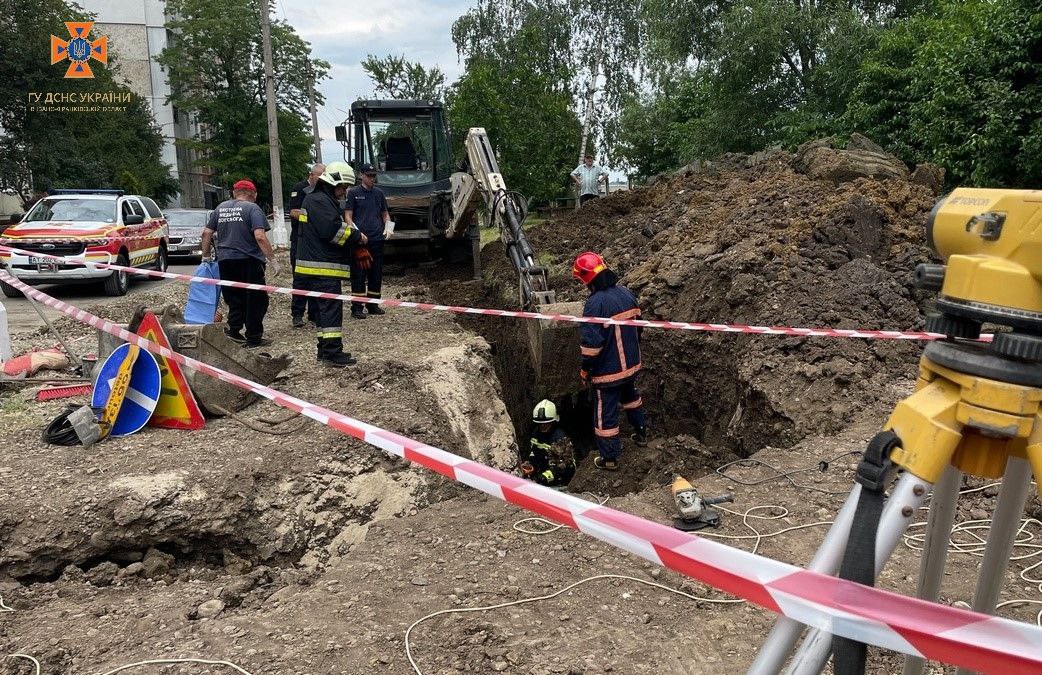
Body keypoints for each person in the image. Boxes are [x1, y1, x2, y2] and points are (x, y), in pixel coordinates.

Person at [573, 251, 648, 470]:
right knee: (631, 397)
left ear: (586, 278)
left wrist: (585, 370)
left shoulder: (595, 304)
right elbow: (639, 327)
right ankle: (641, 433)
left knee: (604, 414)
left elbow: (591, 346)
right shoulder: (626, 293)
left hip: (608, 371)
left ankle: (610, 458)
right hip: (630, 365)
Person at [296, 161, 366, 367]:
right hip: (322, 268)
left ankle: (325, 350)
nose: (344, 191)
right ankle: (332, 353)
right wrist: (357, 237)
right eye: (343, 186)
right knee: (330, 311)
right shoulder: (319, 201)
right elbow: (332, 231)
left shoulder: (318, 199)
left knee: (322, 312)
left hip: (316, 267)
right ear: (333, 181)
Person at [201, 179, 277, 348]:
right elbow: (260, 236)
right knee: (256, 300)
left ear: (235, 193)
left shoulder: (220, 208)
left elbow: (206, 233)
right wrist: (273, 260)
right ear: (253, 194)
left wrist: (206, 257)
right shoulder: (253, 209)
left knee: (234, 299)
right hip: (248, 261)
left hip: (225, 261)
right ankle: (253, 338)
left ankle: (234, 331)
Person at [344, 163, 391, 320]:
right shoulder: (353, 193)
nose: (372, 178)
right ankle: (357, 307)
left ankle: (373, 304)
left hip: (377, 239)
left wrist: (389, 227)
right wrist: (356, 232)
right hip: (360, 241)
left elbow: (385, 214)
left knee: (376, 273)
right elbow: (348, 215)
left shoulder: (379, 194)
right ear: (362, 175)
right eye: (369, 176)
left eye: (373, 176)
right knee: (358, 273)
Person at [288, 162, 324, 328]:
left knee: (317, 278)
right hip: (300, 240)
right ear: (312, 175)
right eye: (320, 175)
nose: (322, 179)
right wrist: (312, 218)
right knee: (300, 280)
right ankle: (297, 314)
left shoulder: (322, 190)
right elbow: (294, 212)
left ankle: (314, 313)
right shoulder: (300, 188)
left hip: (316, 241)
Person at [520, 399, 577, 486]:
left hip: (561, 477)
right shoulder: (536, 433)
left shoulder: (560, 438)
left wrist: (542, 478)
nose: (542, 426)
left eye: (546, 423)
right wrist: (531, 465)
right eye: (540, 423)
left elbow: (564, 467)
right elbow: (534, 453)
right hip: (543, 470)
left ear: (553, 422)